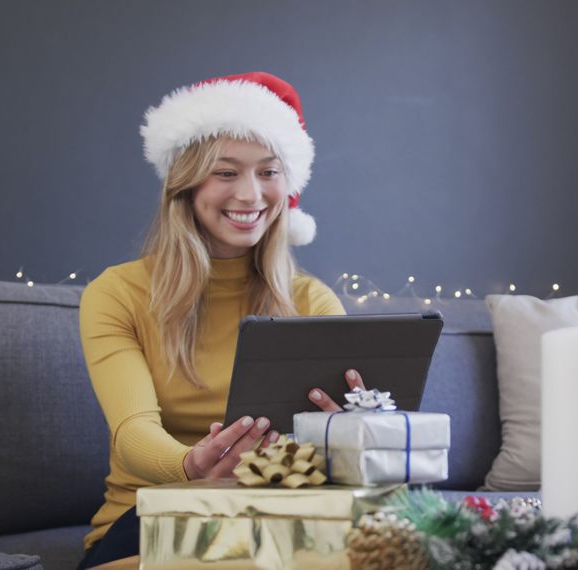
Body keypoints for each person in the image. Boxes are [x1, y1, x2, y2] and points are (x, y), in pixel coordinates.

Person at [76, 71, 363, 569]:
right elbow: (133, 431)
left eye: (269, 172)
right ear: (185, 184)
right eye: (226, 173)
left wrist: (350, 433)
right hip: (154, 517)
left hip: (279, 515)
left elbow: (338, 462)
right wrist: (191, 465)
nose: (252, 195)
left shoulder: (313, 301)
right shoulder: (118, 293)